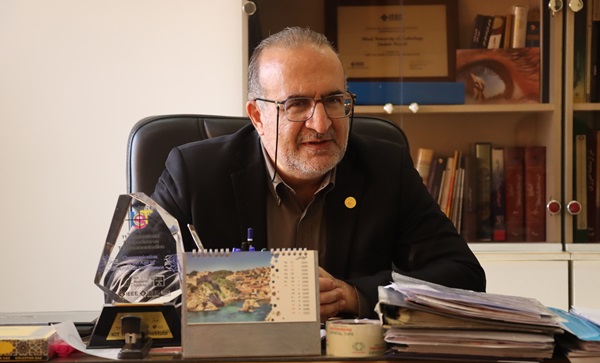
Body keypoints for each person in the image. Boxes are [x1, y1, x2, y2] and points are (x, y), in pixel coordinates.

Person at [151, 27, 486, 320]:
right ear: (257, 117)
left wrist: (352, 296)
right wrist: (242, 291)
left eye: (334, 100)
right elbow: (136, 279)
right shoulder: (194, 173)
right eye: (297, 104)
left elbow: (464, 277)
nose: (322, 124)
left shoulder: (385, 168)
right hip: (234, 362)